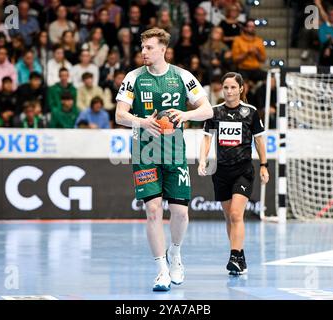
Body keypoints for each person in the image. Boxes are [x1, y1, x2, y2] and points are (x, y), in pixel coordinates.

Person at [115, 28, 213, 291]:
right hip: (144, 153)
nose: (143, 52)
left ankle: (176, 254)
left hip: (174, 152)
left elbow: (206, 110)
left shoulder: (183, 76)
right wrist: (142, 122)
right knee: (153, 209)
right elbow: (119, 115)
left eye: (148, 47)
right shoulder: (133, 78)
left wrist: (184, 114)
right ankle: (161, 270)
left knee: (180, 213)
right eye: (142, 47)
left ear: (162, 50)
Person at [198, 72, 269, 276]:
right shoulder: (214, 112)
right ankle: (239, 255)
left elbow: (259, 141)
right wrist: (203, 159)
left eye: (232, 87)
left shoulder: (251, 112)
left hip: (243, 170)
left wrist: (264, 165)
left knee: (237, 214)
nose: (229, 91)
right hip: (221, 172)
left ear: (241, 89)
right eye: (225, 87)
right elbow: (206, 139)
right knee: (229, 217)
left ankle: (234, 257)